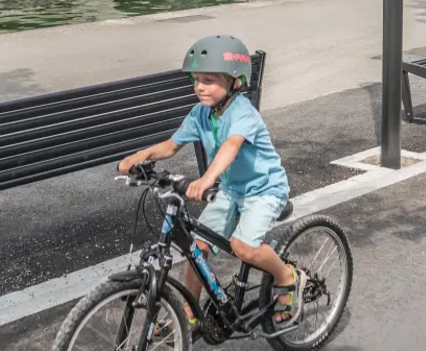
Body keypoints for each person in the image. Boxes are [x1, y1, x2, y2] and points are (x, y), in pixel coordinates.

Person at [117, 36, 302, 326]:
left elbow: (231, 146)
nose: (200, 87)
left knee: (244, 248)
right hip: (231, 190)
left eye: (209, 80)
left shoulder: (243, 112)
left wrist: (206, 179)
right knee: (197, 248)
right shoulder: (201, 114)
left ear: (234, 82)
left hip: (265, 190)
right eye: (196, 79)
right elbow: (171, 145)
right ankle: (189, 313)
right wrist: (140, 157)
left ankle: (285, 276)